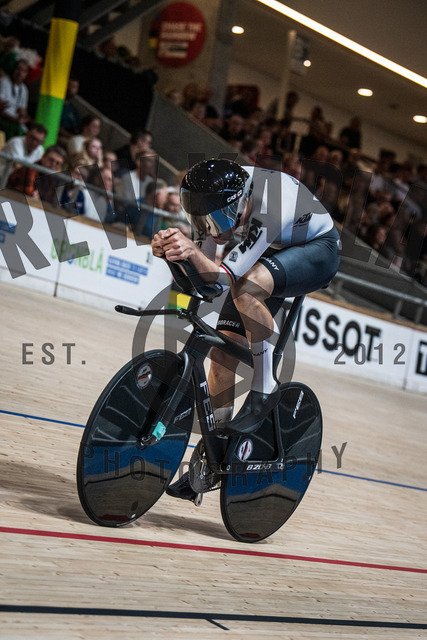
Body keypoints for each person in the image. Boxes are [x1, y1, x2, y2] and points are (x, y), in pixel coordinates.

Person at [152, 158, 341, 500]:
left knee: (247, 290)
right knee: (221, 357)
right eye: (203, 221)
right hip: (275, 249)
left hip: (317, 249)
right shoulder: (214, 198)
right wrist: (174, 256)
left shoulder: (271, 202)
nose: (211, 229)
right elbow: (206, 283)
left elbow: (225, 277)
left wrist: (192, 251)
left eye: (216, 220)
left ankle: (265, 386)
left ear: (239, 203)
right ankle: (214, 459)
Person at [0, 59, 30, 139]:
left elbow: (23, 111)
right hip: (4, 120)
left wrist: (24, 117)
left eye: (24, 71)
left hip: (14, 121)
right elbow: (1, 111)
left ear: (26, 74)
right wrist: (15, 119)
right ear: (13, 69)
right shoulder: (3, 82)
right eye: (18, 69)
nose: (20, 73)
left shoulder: (24, 89)